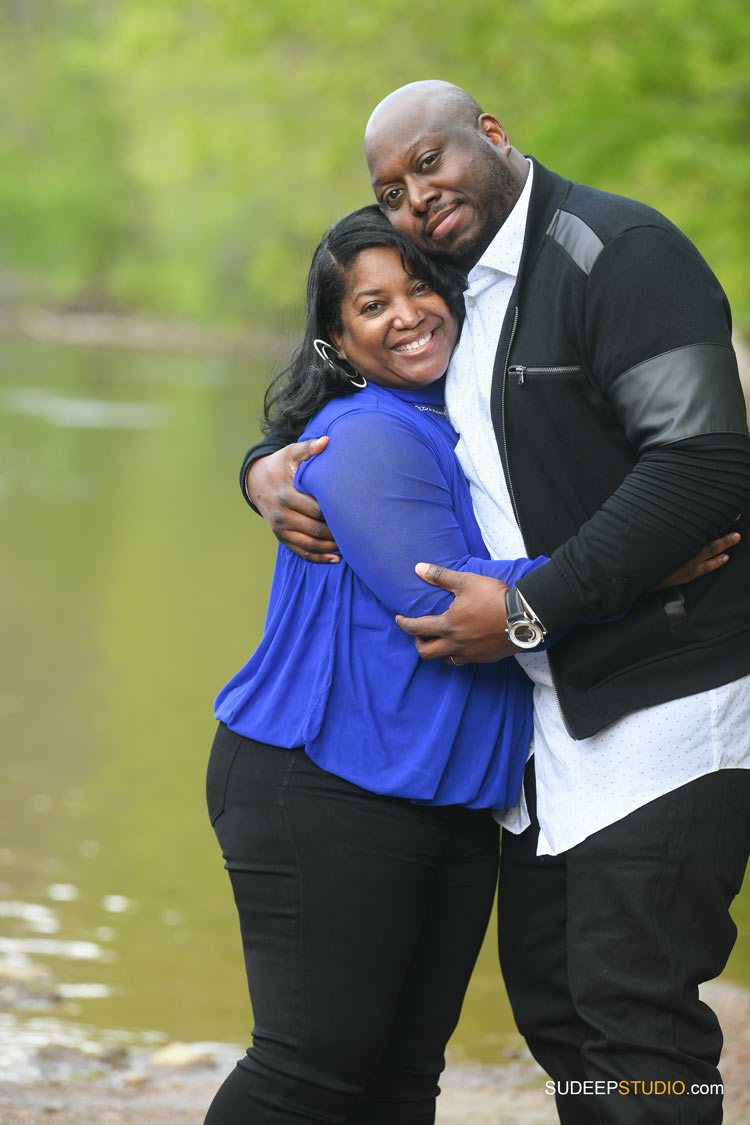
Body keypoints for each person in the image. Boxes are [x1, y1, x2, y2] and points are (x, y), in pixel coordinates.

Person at [241, 82, 750, 1124]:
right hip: (550, 731)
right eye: (392, 187)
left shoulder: (619, 252)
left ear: (494, 135)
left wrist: (533, 607)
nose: (419, 195)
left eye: (430, 162)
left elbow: (703, 470)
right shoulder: (471, 291)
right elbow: (370, 415)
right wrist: (260, 467)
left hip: (666, 697)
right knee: (564, 1014)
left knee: (634, 1021)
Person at [206, 206, 562, 1125]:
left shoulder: (479, 426)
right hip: (324, 780)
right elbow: (446, 601)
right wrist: (641, 561)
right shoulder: (366, 435)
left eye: (420, 286)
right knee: (308, 1073)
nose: (407, 314)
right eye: (373, 303)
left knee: (402, 1082)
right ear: (340, 339)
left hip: (446, 795)